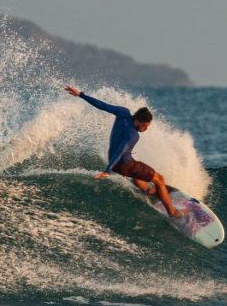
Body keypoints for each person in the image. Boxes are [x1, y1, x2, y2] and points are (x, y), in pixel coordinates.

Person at [65, 86, 187, 218]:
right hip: (122, 163)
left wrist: (81, 95)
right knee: (159, 179)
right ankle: (173, 212)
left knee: (136, 170)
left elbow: (103, 105)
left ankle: (148, 190)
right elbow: (121, 150)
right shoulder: (133, 135)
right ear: (139, 121)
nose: (145, 129)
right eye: (145, 125)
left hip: (118, 162)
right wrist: (107, 170)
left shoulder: (123, 112)